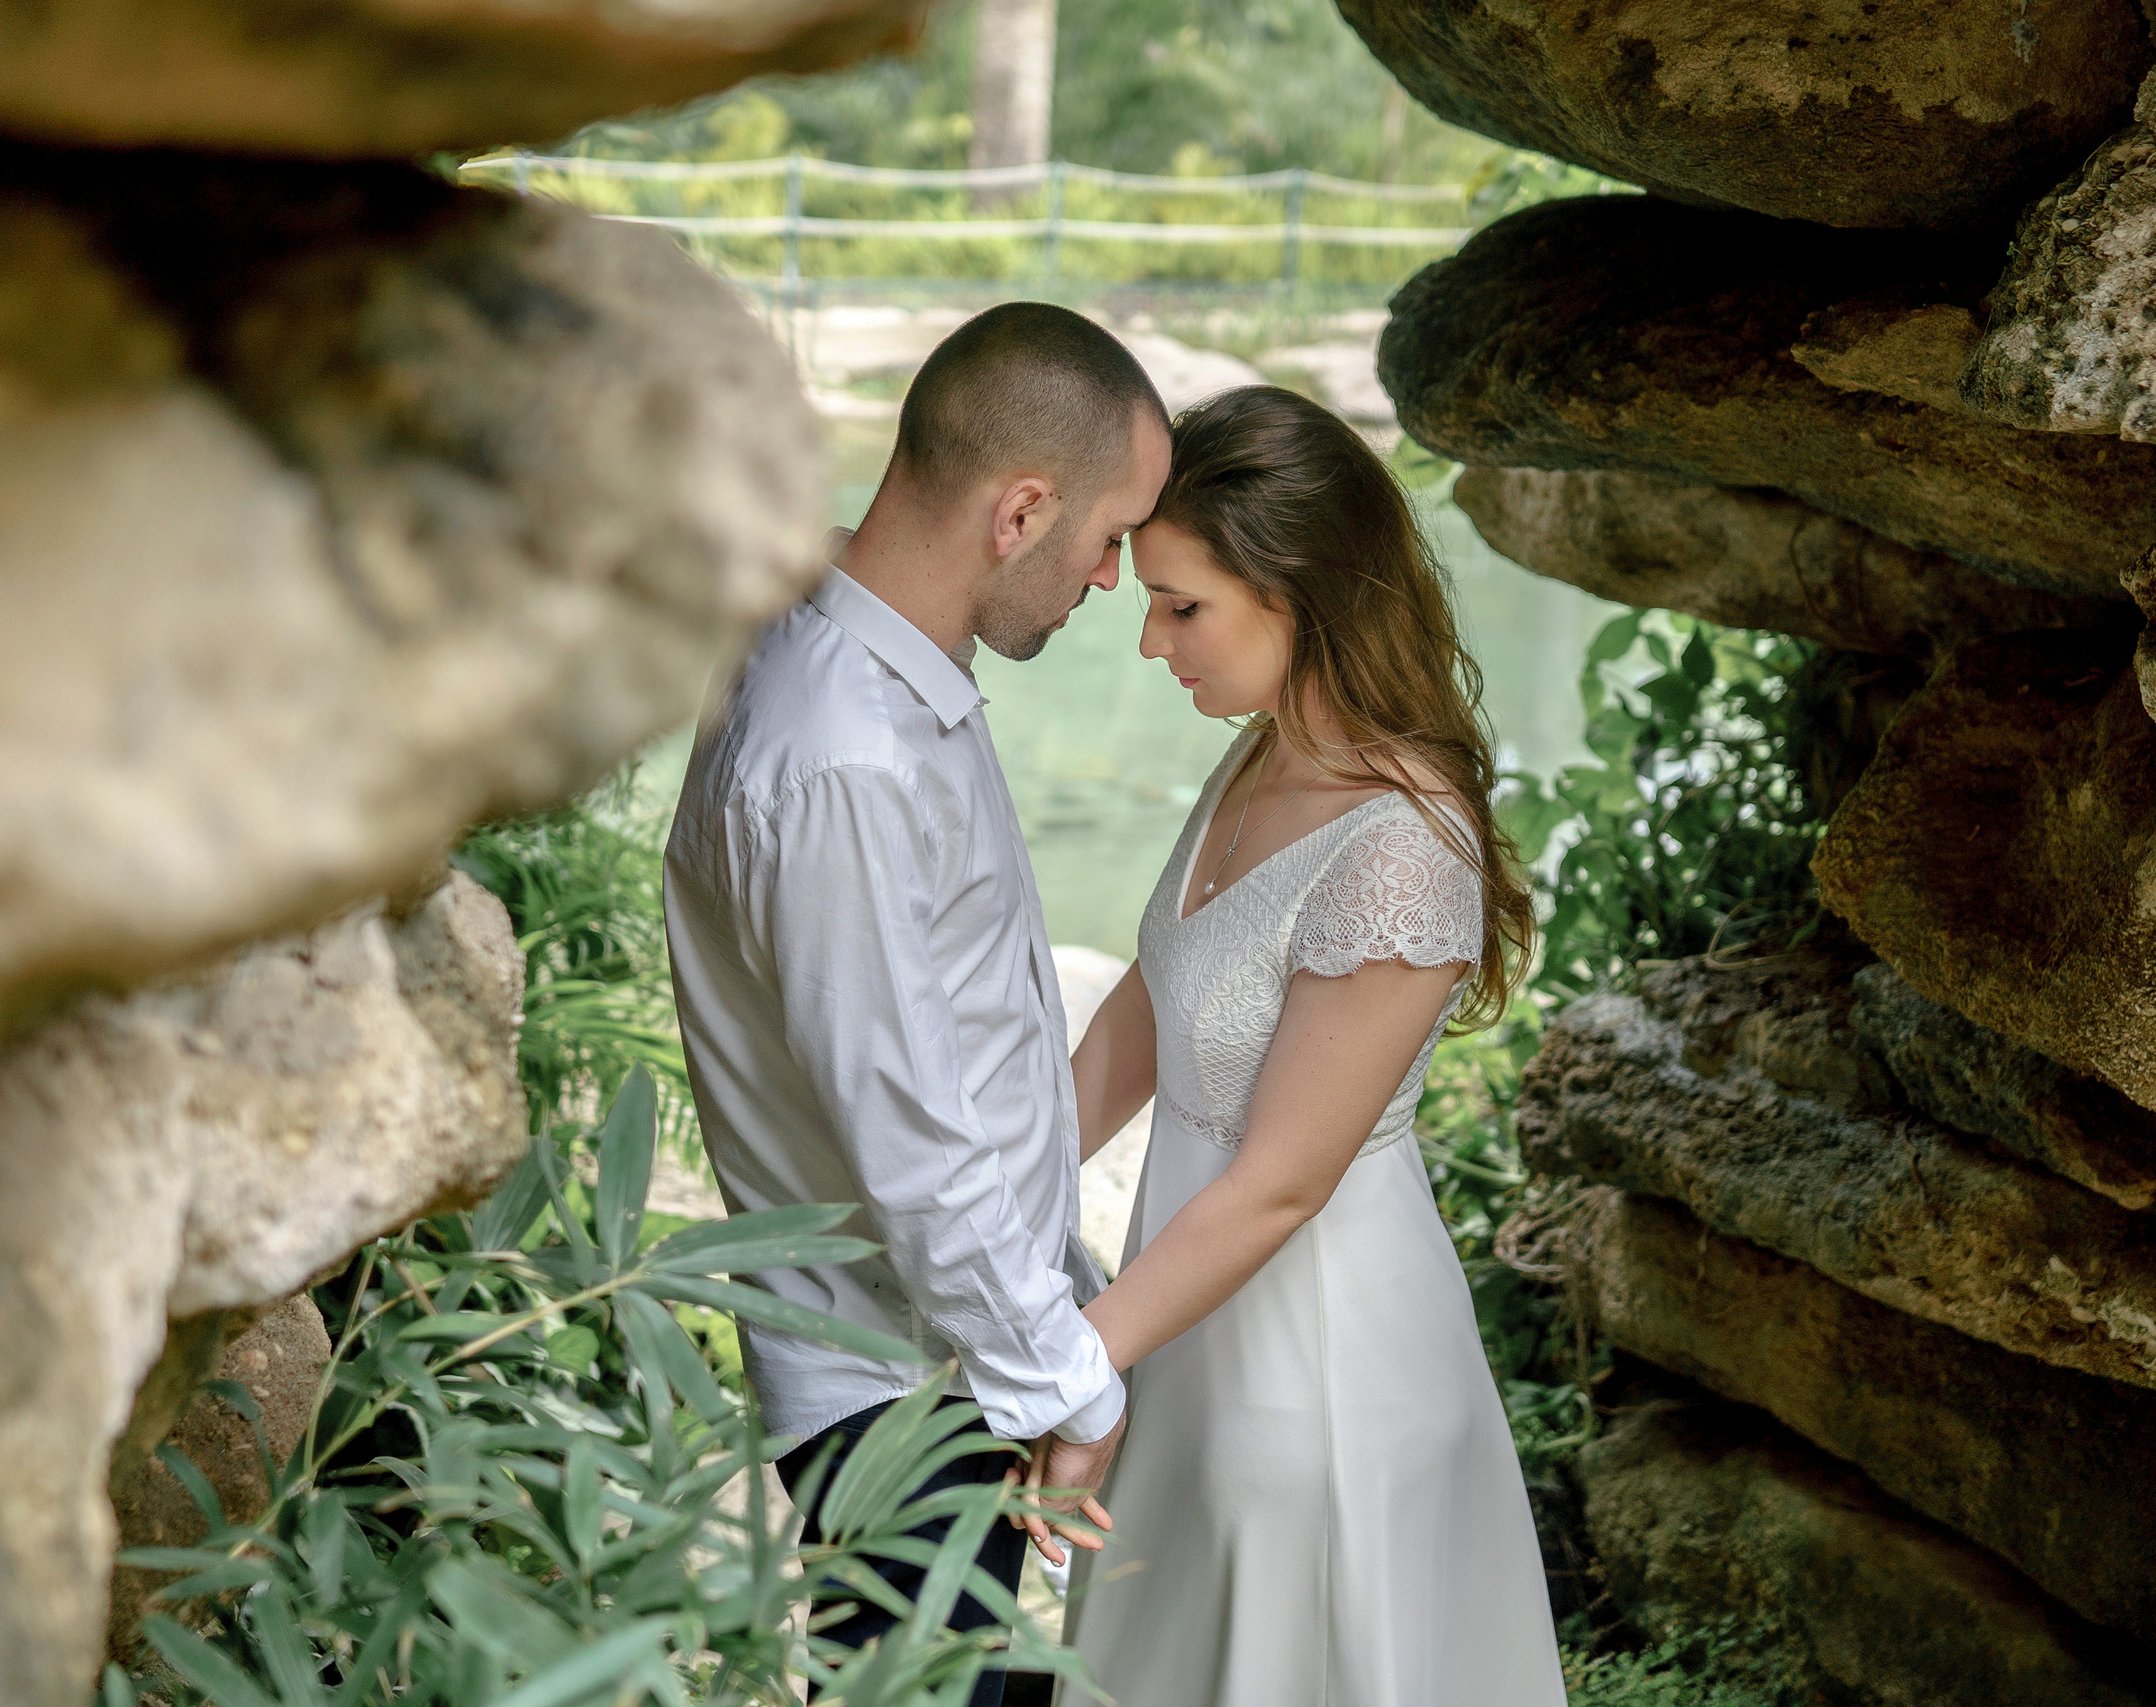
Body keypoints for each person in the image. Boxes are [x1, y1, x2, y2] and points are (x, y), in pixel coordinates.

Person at [662, 301, 1170, 1707]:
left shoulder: (871, 674)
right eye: (1110, 535)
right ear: (1019, 513)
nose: (1113, 581)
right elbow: (911, 1138)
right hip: (899, 1395)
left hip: (952, 1365)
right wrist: (1066, 1382)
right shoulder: (843, 756)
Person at [1038, 386, 1568, 1706]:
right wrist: (992, 1182)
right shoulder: (1257, 760)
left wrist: (1072, 1359)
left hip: (1315, 1369)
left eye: (1183, 606)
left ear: (1300, 593)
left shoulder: (1400, 846)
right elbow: (1146, 1014)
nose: (1154, 644)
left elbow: (1282, 1180)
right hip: (1191, 1321)